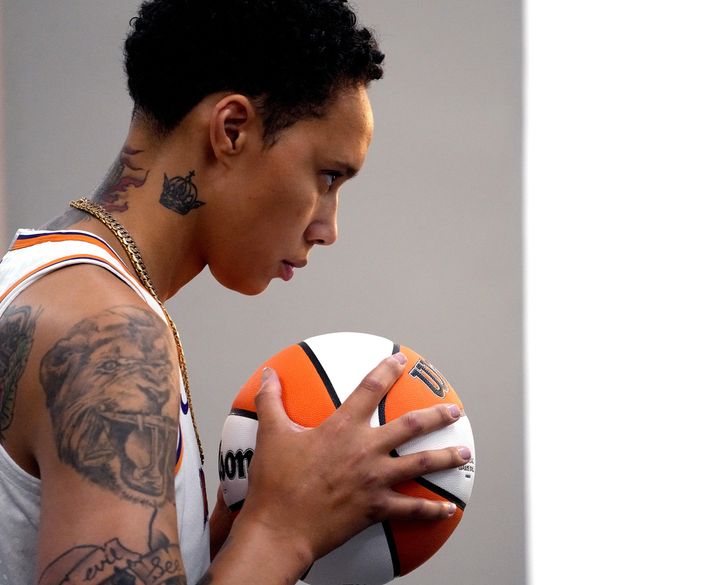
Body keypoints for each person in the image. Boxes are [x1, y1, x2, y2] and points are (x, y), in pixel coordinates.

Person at [0, 1, 472, 583]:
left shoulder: (42, 278)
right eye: (327, 176)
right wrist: (282, 531)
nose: (328, 228)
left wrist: (225, 533)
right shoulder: (111, 332)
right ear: (231, 130)